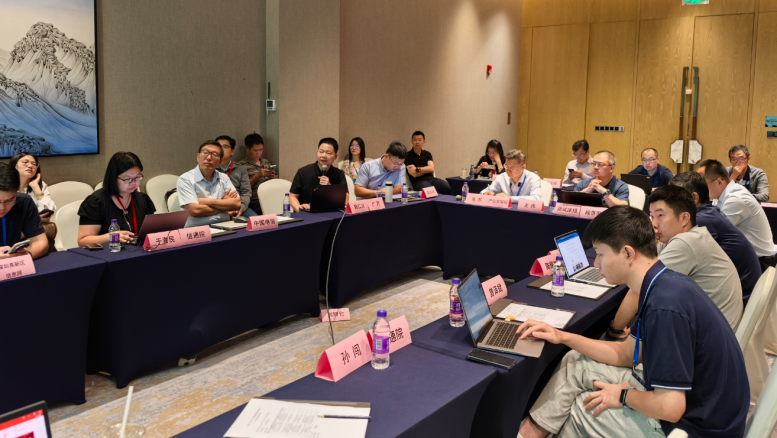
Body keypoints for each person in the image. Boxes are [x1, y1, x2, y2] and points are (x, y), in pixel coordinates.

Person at [516, 206, 748, 438]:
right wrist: (562, 336)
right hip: (701, 408)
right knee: (575, 362)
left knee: (581, 410)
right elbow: (626, 354)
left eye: (600, 254)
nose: (596, 264)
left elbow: (670, 407)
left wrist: (623, 395)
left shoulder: (665, 307)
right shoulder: (664, 283)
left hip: (697, 429)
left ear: (627, 253)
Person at [607, 186, 743, 342]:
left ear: (684, 218)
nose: (654, 224)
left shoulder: (686, 243)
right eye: (651, 216)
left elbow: (641, 287)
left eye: (660, 215)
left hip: (710, 342)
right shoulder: (685, 236)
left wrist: (615, 329)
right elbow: (646, 262)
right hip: (709, 329)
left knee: (606, 339)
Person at [670, 172, 760, 299]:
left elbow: (674, 252)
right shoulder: (708, 212)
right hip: (740, 289)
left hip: (739, 295)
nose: (668, 203)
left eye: (673, 198)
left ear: (694, 198)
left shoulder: (701, 220)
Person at [698, 159, 777, 270]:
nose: (700, 189)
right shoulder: (720, 196)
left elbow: (712, 234)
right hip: (748, 259)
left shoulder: (736, 199)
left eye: (703, 184)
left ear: (719, 182)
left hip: (760, 263)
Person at [78, 152, 156, 247]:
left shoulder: (143, 199)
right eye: (127, 179)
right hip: (108, 252)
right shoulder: (96, 202)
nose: (133, 183)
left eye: (137, 177)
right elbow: (82, 241)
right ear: (113, 178)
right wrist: (110, 237)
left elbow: (152, 231)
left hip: (138, 251)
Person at [177, 140, 240, 227]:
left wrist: (206, 201)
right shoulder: (185, 179)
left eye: (215, 154)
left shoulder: (224, 178)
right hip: (199, 230)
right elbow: (194, 211)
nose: (209, 158)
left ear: (220, 162)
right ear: (198, 157)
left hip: (225, 226)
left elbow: (237, 204)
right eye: (205, 152)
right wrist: (224, 204)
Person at [9, 153, 57, 250]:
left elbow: (49, 210)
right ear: (14, 165)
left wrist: (35, 187)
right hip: (12, 232)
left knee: (46, 245)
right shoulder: (6, 187)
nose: (30, 166)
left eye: (34, 164)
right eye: (25, 162)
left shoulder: (40, 185)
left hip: (34, 233)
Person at [0, 163, 48, 259]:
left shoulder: (23, 202)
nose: (2, 208)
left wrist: (22, 257)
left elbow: (40, 242)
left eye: (10, 200)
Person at [289, 137, 347, 211]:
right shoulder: (303, 172)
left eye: (328, 153)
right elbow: (292, 196)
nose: (324, 155)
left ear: (335, 156)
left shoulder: (339, 174)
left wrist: (330, 188)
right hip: (306, 214)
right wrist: (300, 209)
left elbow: (345, 200)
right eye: (321, 152)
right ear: (317, 152)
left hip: (331, 213)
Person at [215, 135, 255, 218]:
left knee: (256, 221)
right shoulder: (211, 169)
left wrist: (241, 208)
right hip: (218, 208)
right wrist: (223, 203)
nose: (221, 149)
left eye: (225, 147)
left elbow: (246, 192)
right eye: (218, 147)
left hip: (239, 206)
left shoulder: (240, 168)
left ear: (232, 151)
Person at [238, 133, 276, 215]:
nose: (259, 153)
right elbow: (243, 189)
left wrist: (273, 178)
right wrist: (257, 176)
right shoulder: (241, 165)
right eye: (255, 150)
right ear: (247, 148)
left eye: (261, 150)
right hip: (255, 202)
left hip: (270, 198)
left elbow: (274, 184)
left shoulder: (265, 162)